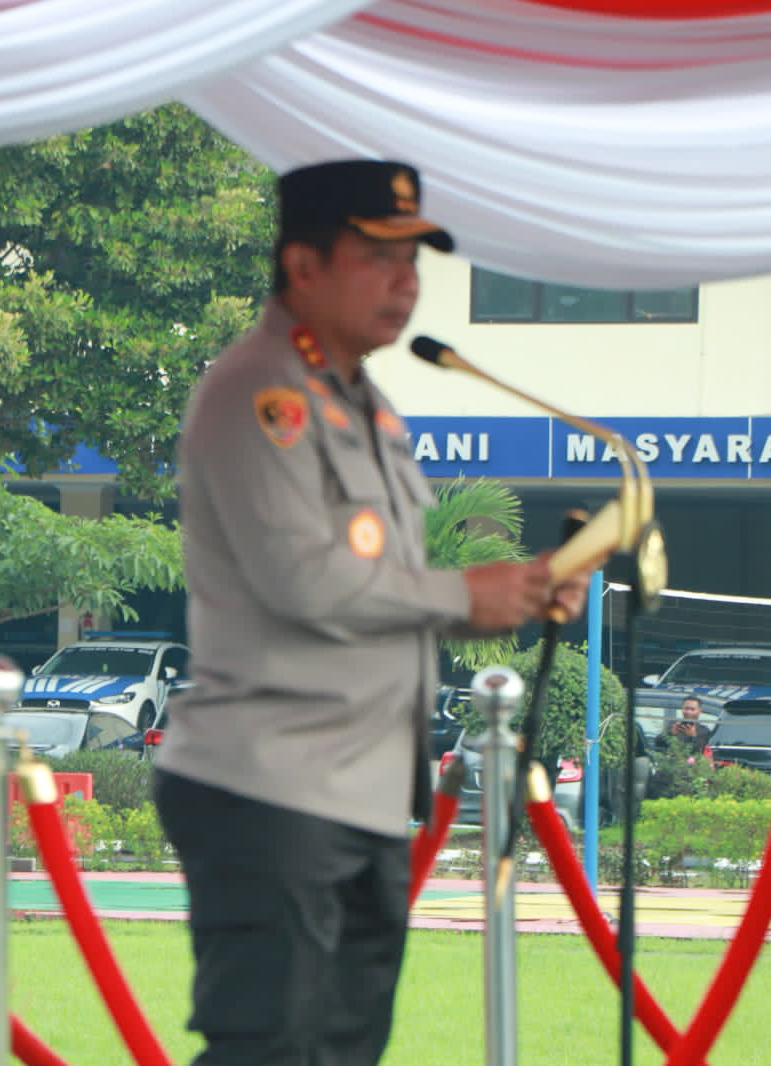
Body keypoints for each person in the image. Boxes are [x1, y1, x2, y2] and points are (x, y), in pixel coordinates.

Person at [151, 159, 585, 1066]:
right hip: (268, 786)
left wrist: (515, 592)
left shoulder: (366, 406)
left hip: (363, 789)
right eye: (376, 257)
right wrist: (464, 592)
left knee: (340, 1049)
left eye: (414, 261)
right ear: (302, 265)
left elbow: (379, 596)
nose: (405, 283)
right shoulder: (257, 394)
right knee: (269, 1048)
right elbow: (303, 582)